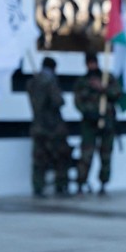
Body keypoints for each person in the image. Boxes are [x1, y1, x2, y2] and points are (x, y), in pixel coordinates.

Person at [74, 52, 122, 196]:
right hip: (89, 123)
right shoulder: (82, 82)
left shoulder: (107, 78)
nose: (92, 65)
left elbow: (117, 93)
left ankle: (103, 183)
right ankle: (81, 183)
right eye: (89, 63)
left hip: (107, 123)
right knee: (86, 155)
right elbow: (78, 101)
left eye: (93, 62)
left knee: (106, 155)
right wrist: (88, 113)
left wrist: (103, 88)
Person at [26, 56, 72, 197]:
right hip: (53, 126)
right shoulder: (51, 81)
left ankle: (38, 187)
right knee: (61, 157)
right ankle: (61, 185)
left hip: (37, 125)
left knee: (39, 159)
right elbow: (58, 101)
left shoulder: (32, 82)